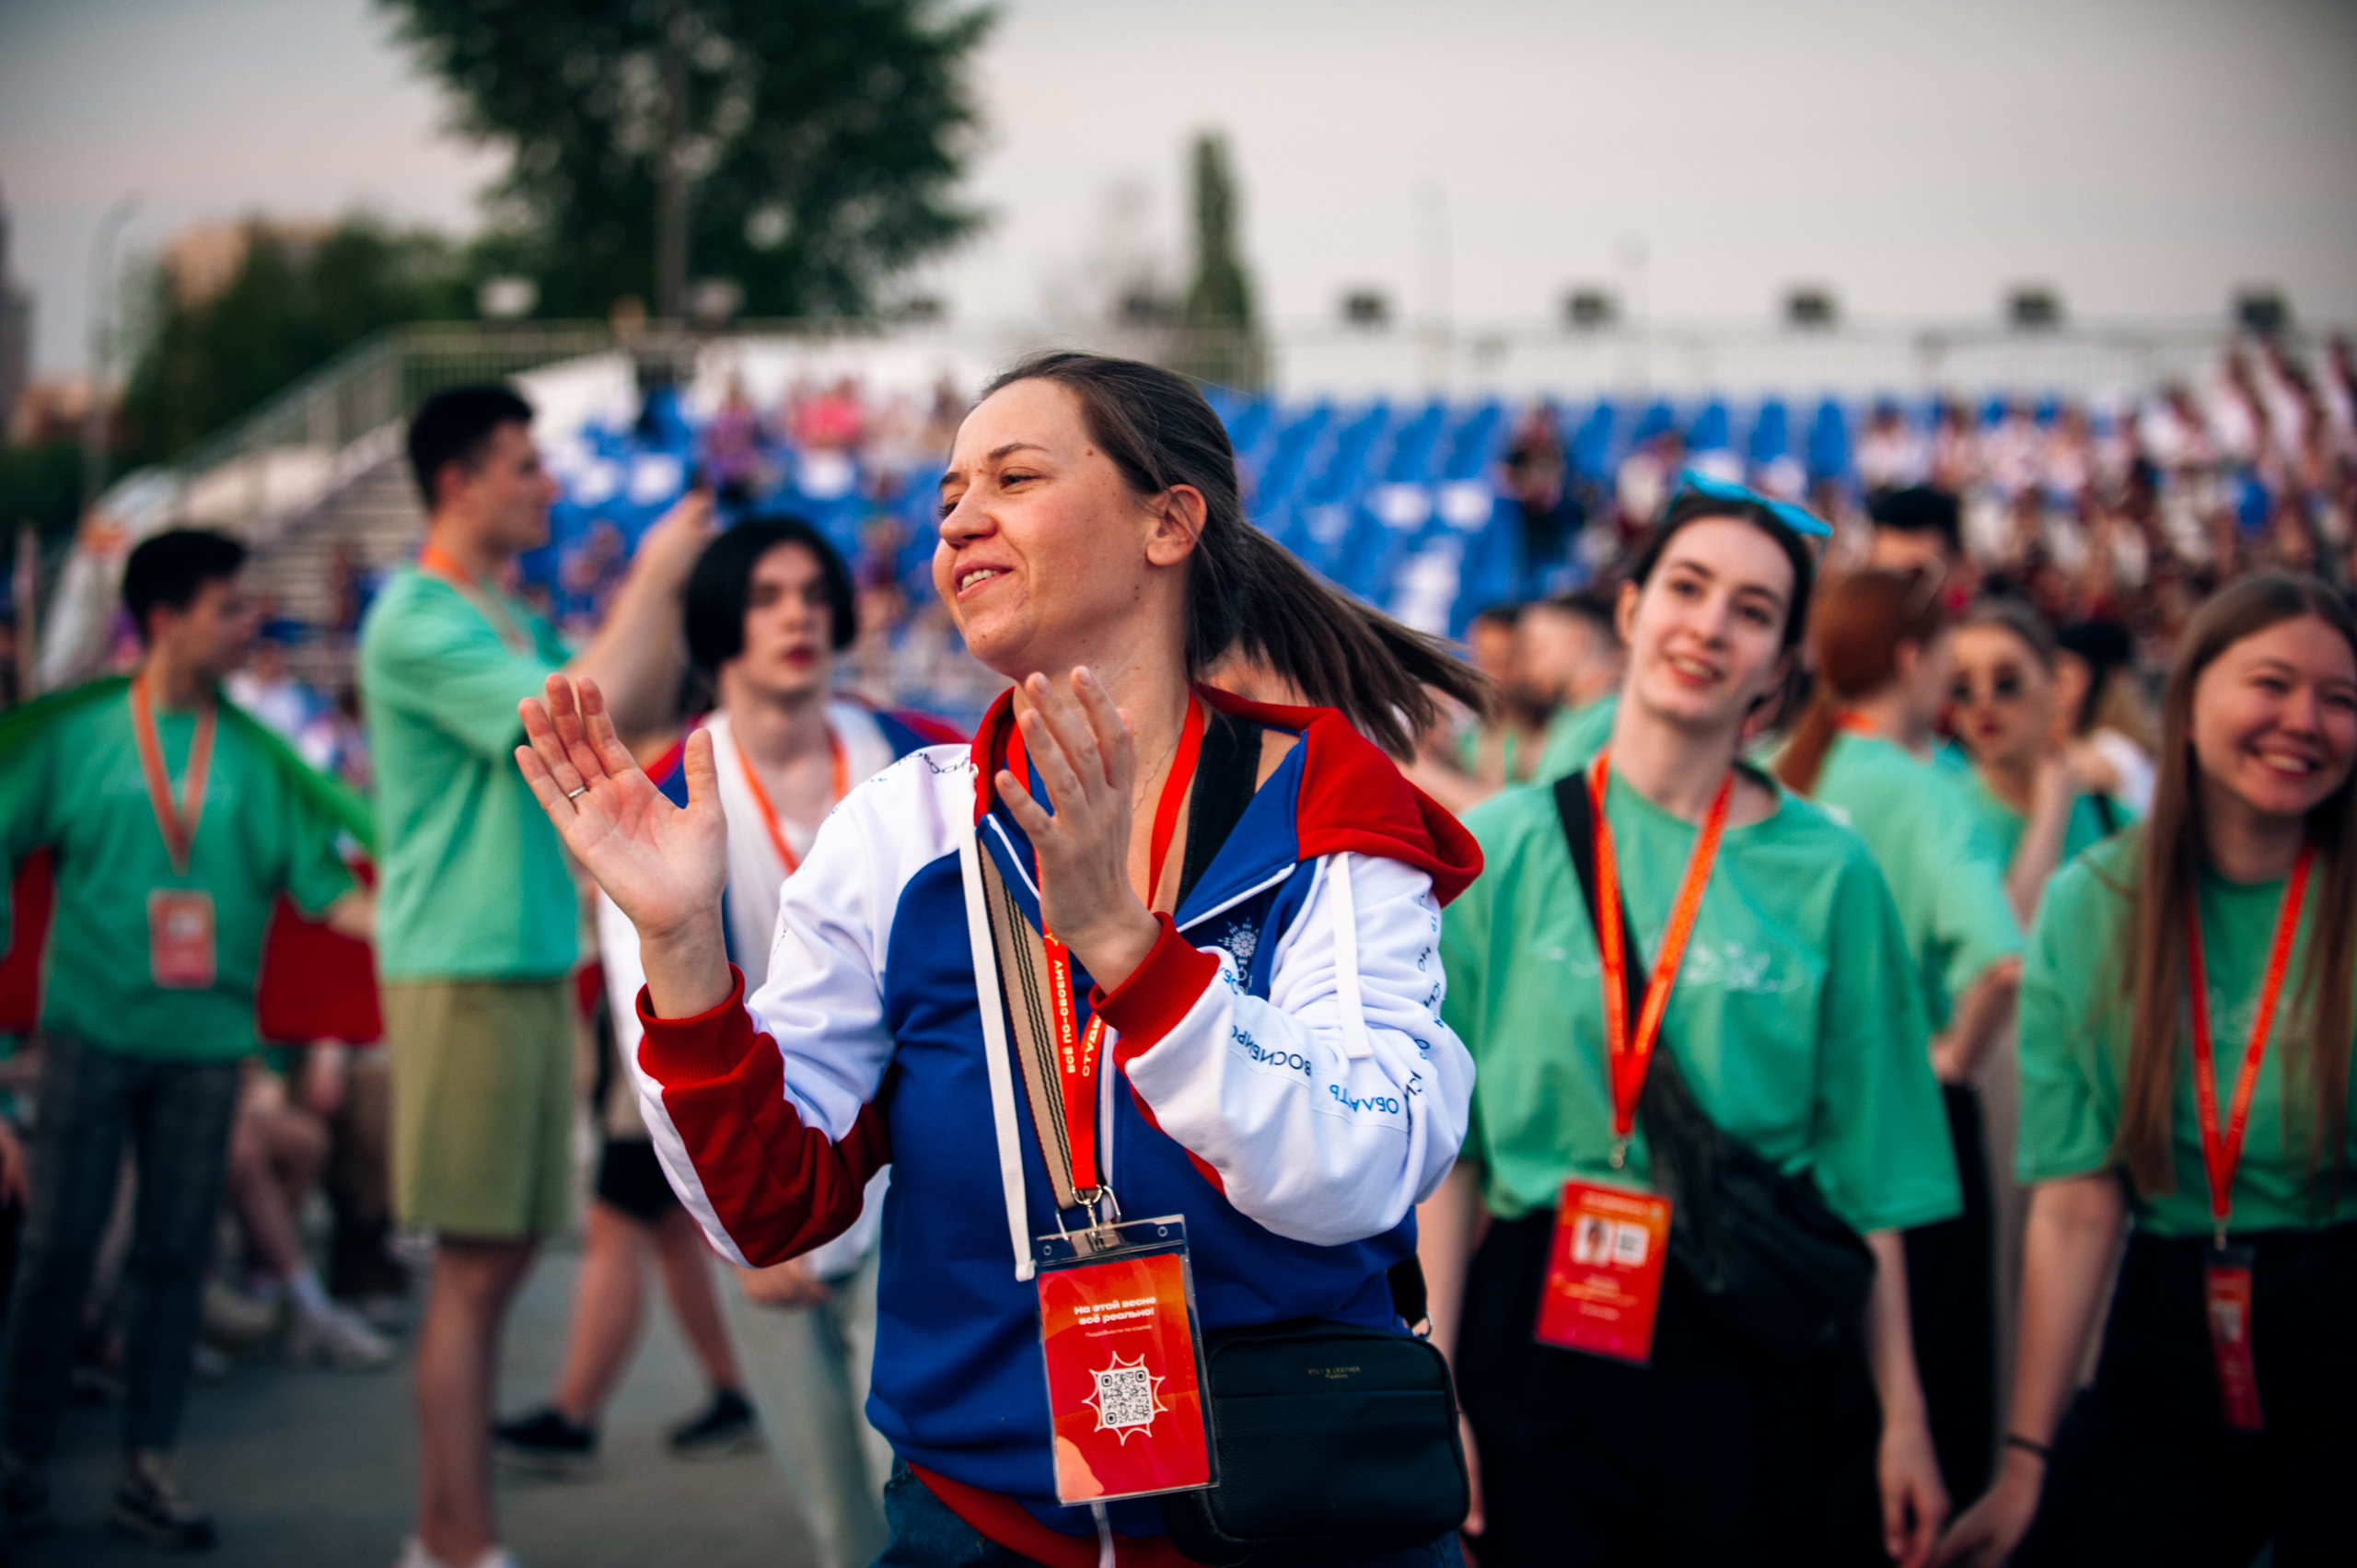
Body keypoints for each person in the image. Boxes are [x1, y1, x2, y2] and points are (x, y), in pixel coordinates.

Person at [515, 350, 1489, 1567]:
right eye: (946, 498)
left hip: (1296, 1517)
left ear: (1169, 520)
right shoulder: (901, 828)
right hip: (986, 1528)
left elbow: (1365, 1162)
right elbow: (772, 1212)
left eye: (1015, 476)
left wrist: (1132, 955)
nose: (962, 517)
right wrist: (681, 943)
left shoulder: (1321, 803)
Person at [1429, 490, 1958, 1568]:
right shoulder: (1502, 846)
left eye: (1753, 610)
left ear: (1778, 665)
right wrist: (1433, 1379)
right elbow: (1453, 1155)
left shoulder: (1831, 871)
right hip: (1534, 1321)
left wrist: (1904, 1413)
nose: (1710, 626)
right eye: (1686, 587)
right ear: (1629, 611)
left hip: (1745, 1325)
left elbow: (1864, 1177)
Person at [498, 517, 959, 1568]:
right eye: (762, 595)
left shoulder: (925, 759)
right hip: (766, 1166)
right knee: (840, 1522)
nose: (794, 613)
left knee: (925, 1493)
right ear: (715, 623)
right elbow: (643, 1016)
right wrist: (747, 1216)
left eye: (809, 590)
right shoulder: (655, 789)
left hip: (919, 1172)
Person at [359, 383, 713, 1568]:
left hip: (512, 963)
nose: (546, 485)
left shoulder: (501, 616)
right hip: (460, 966)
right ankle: (452, 1542)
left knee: (498, 1262)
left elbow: (640, 706)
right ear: (457, 481)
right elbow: (589, 713)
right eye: (522, 465)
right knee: (471, 1269)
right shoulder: (416, 617)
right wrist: (656, 570)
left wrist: (680, 590)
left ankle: (457, 1534)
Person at [1937, 574, 2357, 1567]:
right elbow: (2078, 1202)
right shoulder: (2097, 903)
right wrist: (2026, 1459)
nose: (2303, 719)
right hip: (2169, 1303)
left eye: (2340, 698)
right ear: (2191, 697)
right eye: (2271, 682)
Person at [0, 529, 371, 1550]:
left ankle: (147, 1468)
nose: (250, 623)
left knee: (172, 1258)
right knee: (56, 1255)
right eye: (228, 607)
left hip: (210, 1046)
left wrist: (426, 931)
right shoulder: (77, 739)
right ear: (164, 619)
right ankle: (21, 1460)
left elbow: (327, 888)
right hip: (86, 1038)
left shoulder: (252, 755)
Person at [1774, 568, 2025, 1512]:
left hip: (1781, 1135)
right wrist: (1955, 1053)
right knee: (1927, 1416)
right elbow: (2001, 960)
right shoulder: (1925, 791)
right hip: (1903, 1129)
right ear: (1915, 658)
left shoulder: (1769, 763)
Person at [1949, 600, 2133, 925]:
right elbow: (2004, 949)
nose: (1983, 700)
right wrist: (2049, 816)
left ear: (2057, 689)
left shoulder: (2114, 819)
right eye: (1962, 687)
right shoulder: (1945, 815)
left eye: (2006, 682)